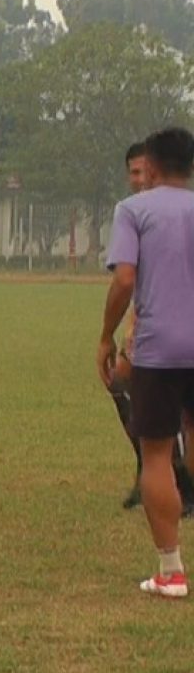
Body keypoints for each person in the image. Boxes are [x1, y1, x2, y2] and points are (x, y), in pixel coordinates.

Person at [98, 127, 194, 597]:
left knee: (156, 453)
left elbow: (124, 281)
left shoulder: (133, 211)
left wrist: (105, 338)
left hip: (158, 347)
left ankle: (171, 572)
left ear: (151, 167)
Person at [110, 142, 194, 513]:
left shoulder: (141, 213)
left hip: (162, 328)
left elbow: (127, 278)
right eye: (133, 172)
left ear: (157, 171)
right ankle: (153, 470)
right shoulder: (138, 212)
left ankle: (171, 476)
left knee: (152, 398)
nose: (138, 179)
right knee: (120, 383)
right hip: (149, 319)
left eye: (144, 171)